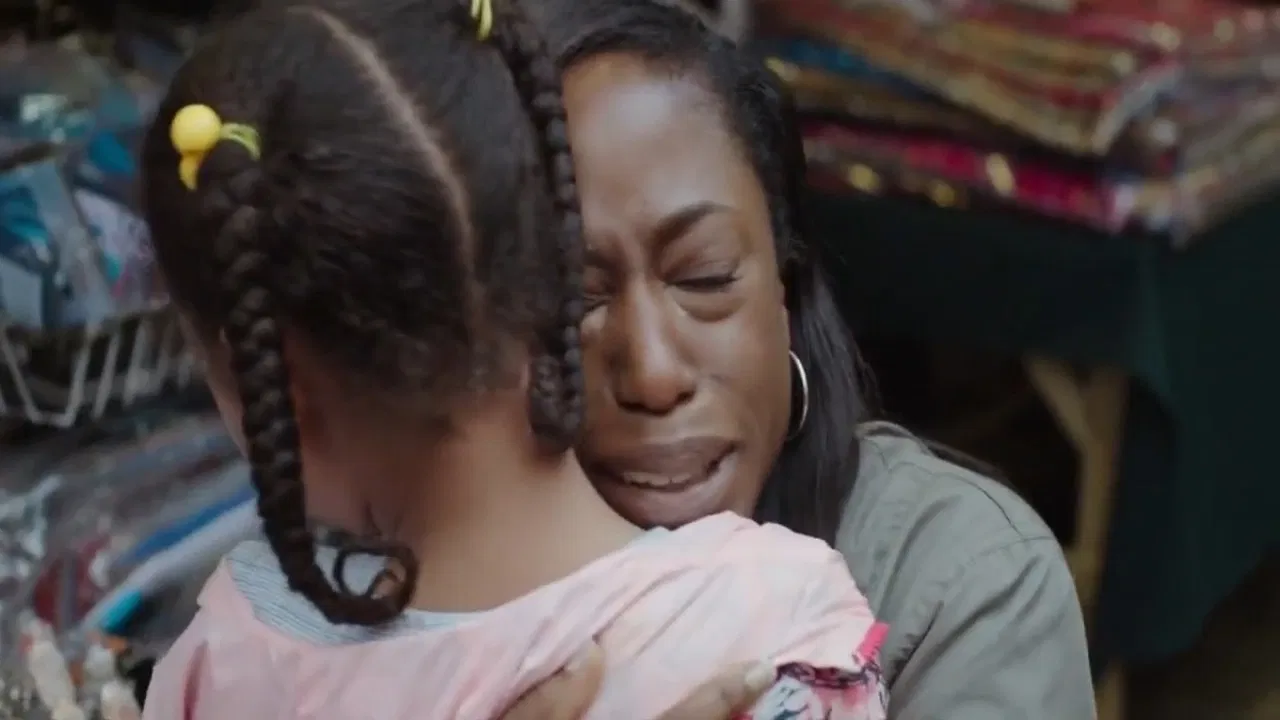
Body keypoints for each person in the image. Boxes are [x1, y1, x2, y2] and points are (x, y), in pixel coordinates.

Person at [136, 1, 889, 718]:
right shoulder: (770, 629)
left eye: (704, 275)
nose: (655, 376)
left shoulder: (228, 662)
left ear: (275, 387)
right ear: (542, 271)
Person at [499, 1, 1097, 718]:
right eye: (575, 299)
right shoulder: (419, 585)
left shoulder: (957, 585)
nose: (654, 376)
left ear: (785, 287)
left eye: (705, 277)